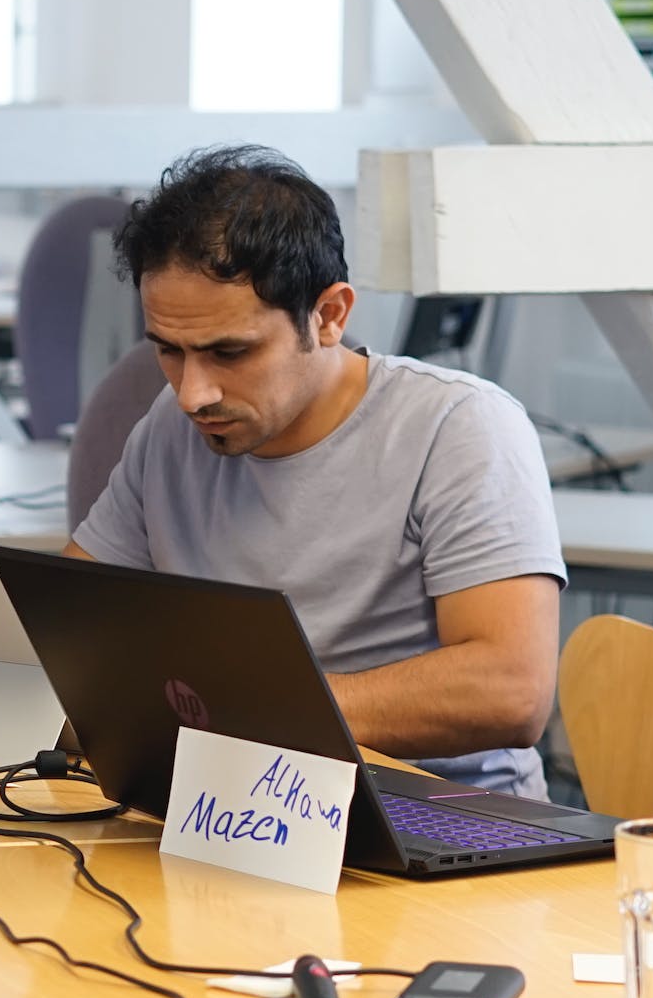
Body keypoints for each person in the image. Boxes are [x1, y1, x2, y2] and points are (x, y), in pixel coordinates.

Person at [68, 144, 564, 794]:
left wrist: (242, 713)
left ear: (329, 316)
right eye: (168, 350)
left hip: (434, 811)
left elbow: (509, 691)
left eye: (229, 351)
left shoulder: (458, 425)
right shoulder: (172, 424)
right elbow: (67, 636)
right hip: (232, 800)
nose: (192, 392)